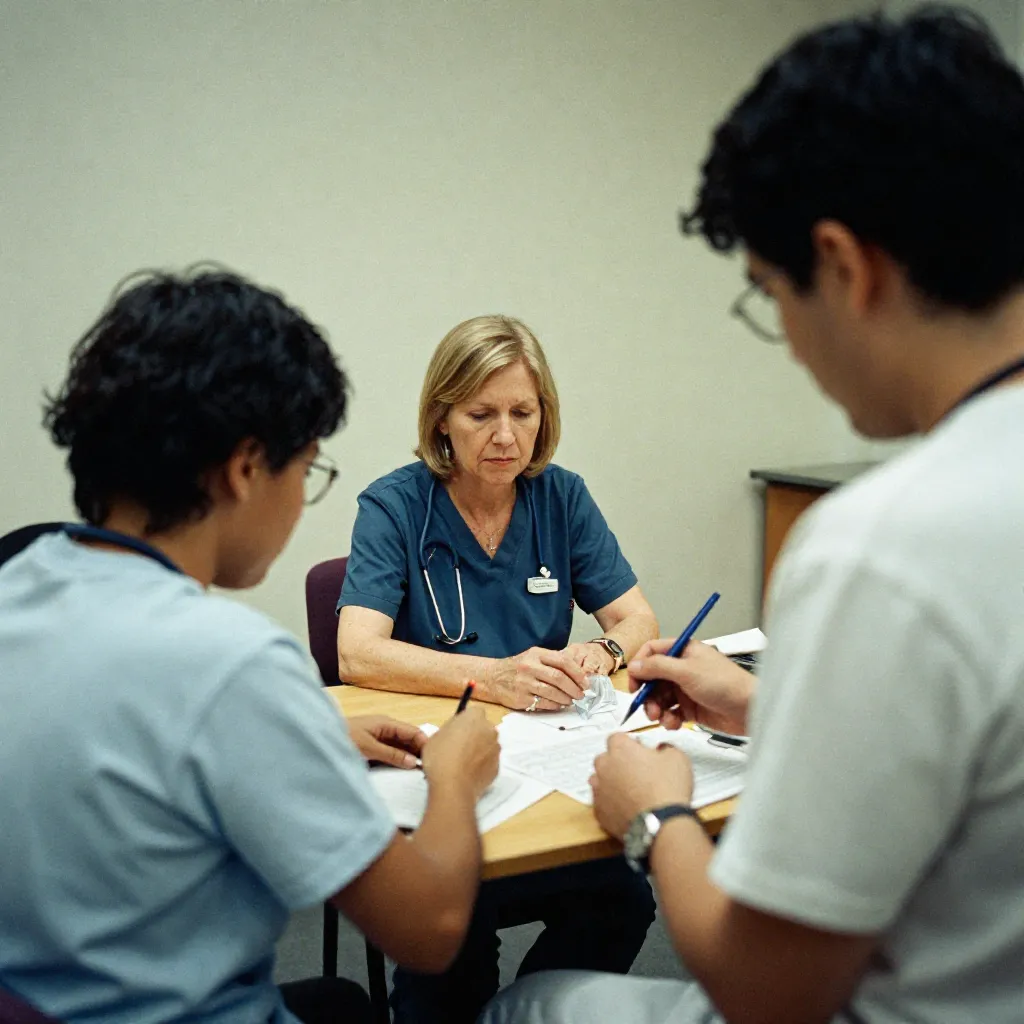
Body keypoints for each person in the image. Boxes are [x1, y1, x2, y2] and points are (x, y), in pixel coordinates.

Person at [480, 7, 1024, 1024]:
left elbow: (769, 988)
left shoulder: (876, 549)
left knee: (534, 1003)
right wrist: (763, 709)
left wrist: (654, 817)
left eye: (771, 294)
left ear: (845, 267)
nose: (786, 341)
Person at [0, 268, 500, 1024]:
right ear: (244, 469)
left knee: (339, 1004)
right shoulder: (229, 662)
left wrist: (305, 733)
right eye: (307, 469)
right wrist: (454, 772)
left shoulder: (17, 581)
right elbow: (428, 928)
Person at [336, 314, 660, 1022]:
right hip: (445, 780)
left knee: (626, 898)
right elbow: (357, 650)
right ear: (442, 418)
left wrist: (599, 652)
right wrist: (491, 677)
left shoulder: (561, 497)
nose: (506, 435)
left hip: (544, 778)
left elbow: (639, 622)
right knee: (454, 934)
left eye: (523, 411)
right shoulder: (395, 506)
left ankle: (522, 1013)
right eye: (481, 414)